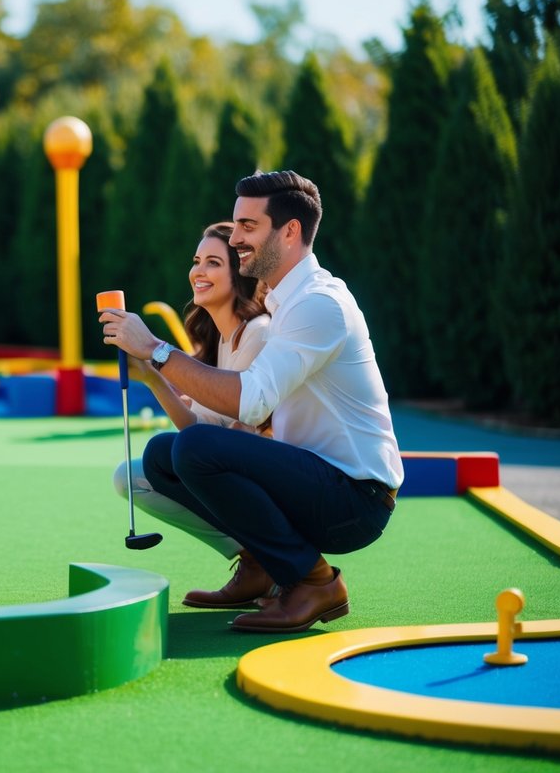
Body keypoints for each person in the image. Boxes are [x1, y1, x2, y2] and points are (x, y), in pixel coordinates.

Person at [98, 170, 403, 633]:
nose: (236, 237)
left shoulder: (318, 303)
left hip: (355, 500)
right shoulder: (287, 303)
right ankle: (263, 564)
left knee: (195, 447)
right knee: (163, 455)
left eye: (248, 226)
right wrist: (156, 368)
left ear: (290, 231)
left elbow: (251, 404)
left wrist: (157, 350)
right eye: (237, 225)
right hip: (318, 480)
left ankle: (314, 582)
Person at [112, 222, 270, 563]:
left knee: (161, 453)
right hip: (243, 474)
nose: (198, 270)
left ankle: (269, 556)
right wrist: (154, 378)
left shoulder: (259, 333)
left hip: (276, 482)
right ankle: (249, 558)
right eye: (197, 260)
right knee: (132, 477)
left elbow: (233, 439)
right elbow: (198, 431)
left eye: (213, 262)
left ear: (240, 272)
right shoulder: (222, 341)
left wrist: (155, 352)